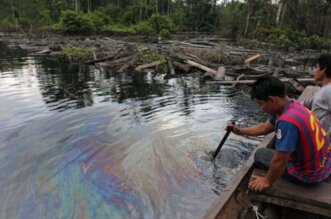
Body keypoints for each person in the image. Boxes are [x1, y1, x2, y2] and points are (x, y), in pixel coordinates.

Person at [228, 76, 331, 192]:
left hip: (310, 176)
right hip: (324, 165)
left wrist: (267, 181)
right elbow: (265, 127)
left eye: (261, 104)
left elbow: (280, 160)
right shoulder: (294, 105)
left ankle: (270, 179)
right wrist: (240, 131)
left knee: (260, 154)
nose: (261, 109)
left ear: (272, 100)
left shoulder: (287, 122)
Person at [303, 53, 331, 139]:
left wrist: (327, 140)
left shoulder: (329, 90)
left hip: (322, 144)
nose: (315, 70)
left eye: (317, 67)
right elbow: (304, 103)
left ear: (323, 70)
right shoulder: (323, 90)